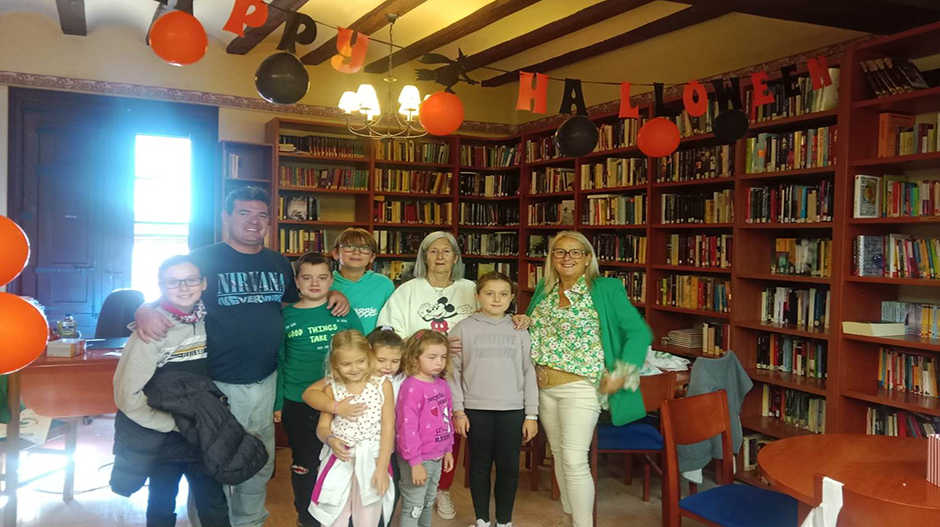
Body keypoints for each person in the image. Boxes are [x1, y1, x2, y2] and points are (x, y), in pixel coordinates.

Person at [134, 186, 349, 527]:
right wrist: (144, 306)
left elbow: (305, 296)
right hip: (214, 382)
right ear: (227, 217)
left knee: (258, 458)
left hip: (264, 379)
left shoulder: (277, 261)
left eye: (261, 215)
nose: (254, 221)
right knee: (212, 461)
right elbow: (175, 290)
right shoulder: (203, 258)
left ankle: (249, 521)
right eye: (245, 213)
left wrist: (335, 290)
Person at [526, 231, 652, 527]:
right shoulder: (544, 288)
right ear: (551, 258)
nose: (566, 258)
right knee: (558, 455)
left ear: (587, 259)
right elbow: (537, 330)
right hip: (544, 388)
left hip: (581, 388)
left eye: (575, 252)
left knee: (573, 460)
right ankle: (570, 517)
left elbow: (639, 333)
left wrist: (622, 373)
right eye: (559, 252)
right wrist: (522, 320)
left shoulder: (605, 289)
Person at [112, 255, 229, 527]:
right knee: (162, 503)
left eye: (191, 280)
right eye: (173, 282)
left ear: (204, 283)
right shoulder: (151, 331)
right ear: (161, 285)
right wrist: (170, 424)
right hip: (166, 437)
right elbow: (127, 396)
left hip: (203, 434)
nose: (184, 287)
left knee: (213, 503)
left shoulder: (210, 319)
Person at [375, 231, 474, 519]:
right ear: (424, 257)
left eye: (446, 251)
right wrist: (424, 346)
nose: (440, 256)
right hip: (419, 378)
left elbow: (491, 315)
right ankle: (410, 485)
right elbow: (388, 331)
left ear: (456, 257)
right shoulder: (408, 290)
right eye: (433, 251)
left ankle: (441, 489)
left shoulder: (470, 288)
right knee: (414, 429)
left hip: (463, 373)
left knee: (448, 432)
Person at [275, 252, 363, 527]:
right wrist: (278, 403)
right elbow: (279, 360)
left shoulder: (343, 311)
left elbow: (364, 352)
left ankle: (342, 517)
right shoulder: (285, 316)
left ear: (331, 280)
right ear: (297, 282)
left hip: (344, 402)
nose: (315, 283)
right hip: (298, 402)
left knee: (342, 460)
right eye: (307, 278)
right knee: (306, 462)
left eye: (322, 277)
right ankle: (306, 517)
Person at [448, 272, 539, 527]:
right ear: (477, 296)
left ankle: (504, 522)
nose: (496, 299)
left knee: (509, 468)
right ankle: (482, 520)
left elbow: (528, 370)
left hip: (512, 410)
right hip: (475, 410)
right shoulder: (463, 328)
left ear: (511, 298)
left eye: (503, 294)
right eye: (489, 293)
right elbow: (451, 371)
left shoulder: (519, 328)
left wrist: (531, 414)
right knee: (479, 466)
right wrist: (458, 411)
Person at [303, 326, 405, 527]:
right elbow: (323, 428)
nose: (355, 368)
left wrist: (383, 468)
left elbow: (388, 426)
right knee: (334, 512)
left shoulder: (381, 385)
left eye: (360, 361)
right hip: (341, 459)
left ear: (369, 357)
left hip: (374, 459)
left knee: (368, 515)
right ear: (336, 364)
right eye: (346, 364)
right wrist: (331, 440)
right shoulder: (333, 389)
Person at [395, 330, 455, 527]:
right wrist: (415, 463)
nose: (439, 362)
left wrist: (448, 449)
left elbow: (447, 418)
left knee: (428, 502)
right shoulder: (411, 387)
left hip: (437, 456)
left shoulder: (442, 385)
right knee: (414, 506)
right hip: (418, 459)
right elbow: (406, 428)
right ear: (414, 357)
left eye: (443, 357)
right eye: (432, 357)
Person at [330, 228, 396, 334]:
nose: (357, 252)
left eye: (364, 248)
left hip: (374, 347)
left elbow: (392, 320)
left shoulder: (384, 284)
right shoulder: (325, 284)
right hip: (336, 347)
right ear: (336, 253)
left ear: (372, 257)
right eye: (349, 246)